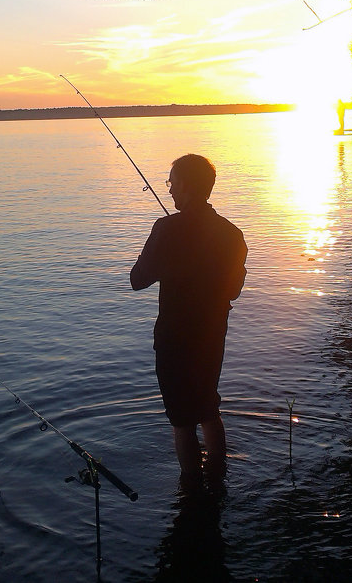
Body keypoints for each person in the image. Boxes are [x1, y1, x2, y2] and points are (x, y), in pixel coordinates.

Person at [130, 154, 247, 489]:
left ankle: (192, 490)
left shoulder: (166, 229)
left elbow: (137, 280)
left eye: (171, 183)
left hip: (174, 338)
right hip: (212, 336)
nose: (168, 191)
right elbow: (234, 291)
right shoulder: (232, 234)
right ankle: (218, 479)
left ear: (185, 185)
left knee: (182, 419)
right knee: (208, 406)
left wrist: (155, 252)